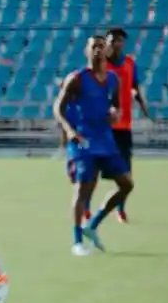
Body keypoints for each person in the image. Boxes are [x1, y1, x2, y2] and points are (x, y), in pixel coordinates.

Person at [54, 35, 133, 256]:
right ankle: (77, 241)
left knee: (126, 184)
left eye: (101, 46)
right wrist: (70, 131)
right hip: (83, 140)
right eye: (93, 47)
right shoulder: (77, 78)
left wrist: (114, 114)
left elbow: (114, 106)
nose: (98, 50)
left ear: (107, 51)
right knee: (82, 189)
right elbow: (58, 108)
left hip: (105, 140)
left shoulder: (113, 79)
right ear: (86, 52)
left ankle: (93, 225)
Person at [104, 27, 151, 222]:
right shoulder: (100, 65)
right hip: (103, 127)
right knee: (92, 170)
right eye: (113, 40)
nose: (117, 43)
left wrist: (143, 105)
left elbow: (135, 86)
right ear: (107, 42)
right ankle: (87, 208)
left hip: (123, 127)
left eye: (120, 40)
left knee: (125, 172)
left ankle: (120, 208)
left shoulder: (130, 63)